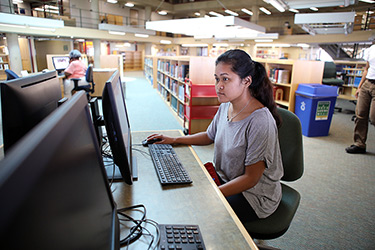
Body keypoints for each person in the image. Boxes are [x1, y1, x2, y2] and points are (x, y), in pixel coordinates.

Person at [147, 49, 283, 222]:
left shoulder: (260, 121)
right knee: (180, 190)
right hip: (225, 180)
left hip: (253, 197)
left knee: (194, 210)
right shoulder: (227, 105)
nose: (219, 85)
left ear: (246, 81)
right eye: (217, 79)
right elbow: (209, 135)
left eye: (226, 79)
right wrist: (174, 140)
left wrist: (212, 194)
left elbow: (251, 179)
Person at [346, 43, 375, 154]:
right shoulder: (371, 49)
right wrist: (360, 87)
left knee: (373, 117)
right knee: (360, 114)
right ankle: (359, 144)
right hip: (367, 84)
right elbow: (366, 69)